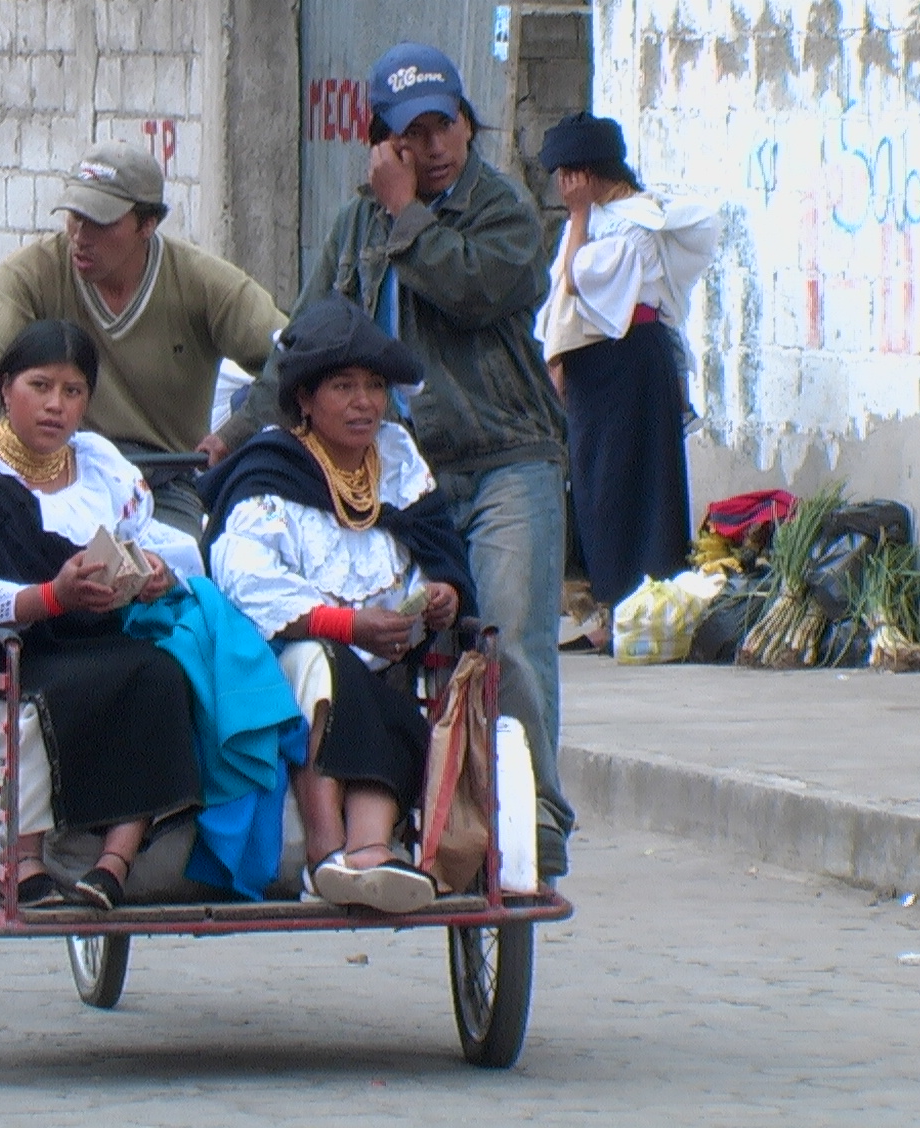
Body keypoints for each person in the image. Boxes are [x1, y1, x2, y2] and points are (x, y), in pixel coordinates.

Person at [218, 43, 575, 878]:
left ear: (464, 123)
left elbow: (486, 289)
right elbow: (306, 342)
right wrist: (233, 440)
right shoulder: (356, 226)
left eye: (445, 124)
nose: (436, 144)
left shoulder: (503, 208)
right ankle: (384, 810)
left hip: (501, 458)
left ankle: (540, 813)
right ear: (382, 140)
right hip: (392, 476)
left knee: (506, 637)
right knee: (377, 641)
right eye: (413, 132)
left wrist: (409, 212)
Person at [0, 319, 207, 910]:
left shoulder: (100, 465)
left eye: (73, 391)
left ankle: (113, 864)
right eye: (40, 386)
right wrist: (52, 597)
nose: (56, 406)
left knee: (162, 677)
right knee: (47, 695)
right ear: (7, 388)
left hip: (103, 633)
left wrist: (153, 572)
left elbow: (149, 537)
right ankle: (26, 859)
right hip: (20, 643)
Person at [201, 296, 477, 913]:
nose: (365, 403)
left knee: (395, 699)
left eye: (375, 387)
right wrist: (345, 623)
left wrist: (442, 596)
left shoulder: (398, 461)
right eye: (344, 387)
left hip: (388, 657)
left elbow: (441, 548)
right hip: (286, 662)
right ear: (304, 397)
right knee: (331, 668)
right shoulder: (272, 468)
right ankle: (325, 852)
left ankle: (370, 851)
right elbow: (246, 581)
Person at [0, 140, 288, 536]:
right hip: (45, 476)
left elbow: (295, 355)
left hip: (163, 485)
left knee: (169, 579)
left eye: (100, 223)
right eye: (74, 217)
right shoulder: (33, 273)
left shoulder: (204, 284)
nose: (80, 236)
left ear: (147, 224)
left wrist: (233, 434)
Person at [534, 111, 721, 612]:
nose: (561, 187)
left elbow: (579, 279)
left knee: (636, 478)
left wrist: (576, 217)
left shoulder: (631, 224)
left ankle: (642, 598)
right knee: (598, 479)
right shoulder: (598, 221)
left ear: (588, 175)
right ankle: (612, 595)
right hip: (597, 367)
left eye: (567, 176)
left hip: (631, 360)